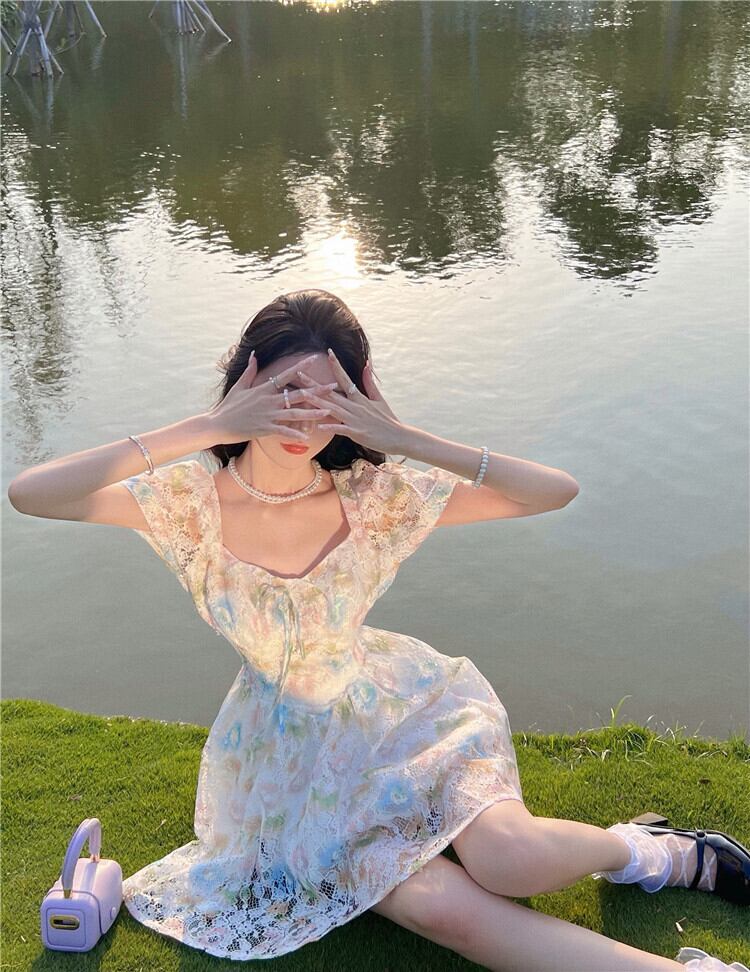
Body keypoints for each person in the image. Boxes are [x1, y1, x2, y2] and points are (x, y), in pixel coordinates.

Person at [8, 289, 748, 971]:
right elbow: (30, 494)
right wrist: (209, 427)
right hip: (285, 762)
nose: (304, 418)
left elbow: (554, 491)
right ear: (246, 383)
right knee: (440, 910)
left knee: (509, 859)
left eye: (330, 399)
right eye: (285, 392)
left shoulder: (374, 499)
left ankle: (660, 855)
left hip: (400, 713)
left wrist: (400, 436)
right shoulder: (189, 504)